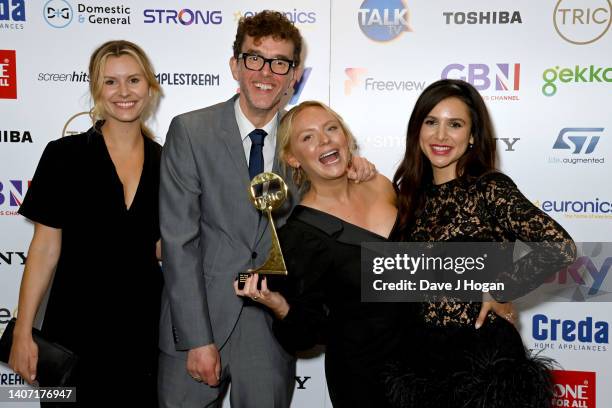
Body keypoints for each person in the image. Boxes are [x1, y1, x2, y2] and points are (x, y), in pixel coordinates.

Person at [158, 11, 376, 407]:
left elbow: (334, 198)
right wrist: (196, 339)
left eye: (280, 63)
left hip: (271, 327)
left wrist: (355, 172)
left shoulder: (305, 142)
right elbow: (179, 243)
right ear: (235, 65)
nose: (266, 72)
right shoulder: (190, 131)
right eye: (255, 58)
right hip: (199, 322)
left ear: (294, 75)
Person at [387, 79, 576, 407]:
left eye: (455, 124)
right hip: (423, 363)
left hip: (484, 363)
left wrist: (501, 288)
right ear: (417, 130)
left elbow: (559, 246)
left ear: (473, 135)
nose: (441, 136)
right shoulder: (409, 198)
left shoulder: (490, 189)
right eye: (431, 122)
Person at [9, 40, 163, 406]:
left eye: (133, 80)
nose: (123, 92)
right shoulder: (63, 156)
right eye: (110, 82)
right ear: (95, 88)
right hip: (71, 331)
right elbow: (44, 249)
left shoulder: (169, 162)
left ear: (150, 87)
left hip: (143, 331)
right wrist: (22, 332)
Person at [234, 100, 406, 408]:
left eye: (331, 129)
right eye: (307, 137)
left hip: (427, 362)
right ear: (292, 157)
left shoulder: (380, 185)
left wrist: (489, 284)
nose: (324, 140)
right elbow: (306, 334)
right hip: (365, 379)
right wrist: (278, 304)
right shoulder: (298, 237)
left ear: (345, 137)